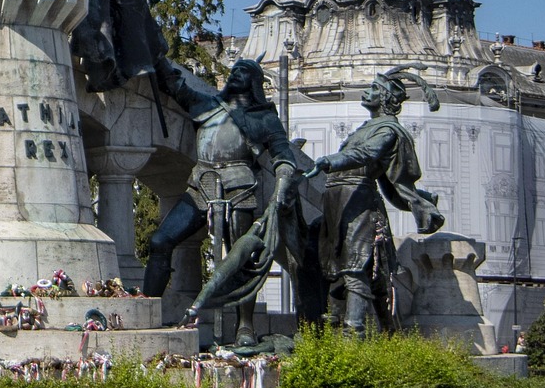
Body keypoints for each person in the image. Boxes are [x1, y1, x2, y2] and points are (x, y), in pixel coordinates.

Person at [144, 56, 315, 344]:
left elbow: (283, 155)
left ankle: (244, 327)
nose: (236, 74)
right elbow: (176, 86)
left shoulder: (264, 118)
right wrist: (156, 55)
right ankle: (146, 310)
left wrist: (284, 176)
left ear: (255, 82)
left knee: (242, 260)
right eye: (234, 70)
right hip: (201, 186)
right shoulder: (207, 105)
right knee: (160, 241)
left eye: (244, 71)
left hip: (240, 191)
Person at [309, 67, 447, 336]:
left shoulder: (388, 131)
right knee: (338, 266)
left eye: (372, 89)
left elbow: (366, 155)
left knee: (355, 266)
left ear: (384, 99)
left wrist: (329, 160)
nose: (365, 92)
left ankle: (354, 332)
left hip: (358, 200)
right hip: (337, 199)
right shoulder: (367, 128)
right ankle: (377, 331)